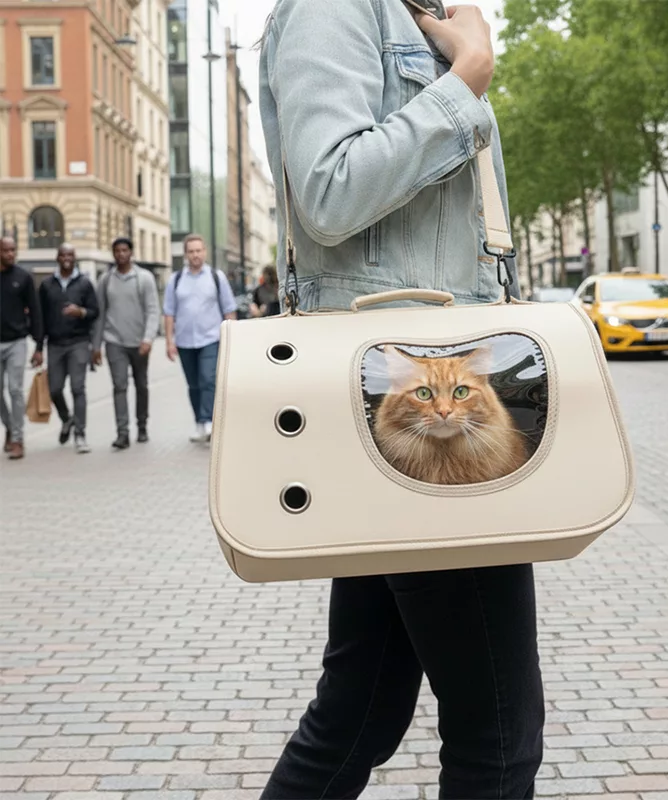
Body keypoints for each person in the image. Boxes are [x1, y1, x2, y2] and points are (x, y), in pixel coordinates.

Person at [257, 2, 544, 798]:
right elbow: (328, 190)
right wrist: (466, 78)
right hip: (419, 433)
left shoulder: (421, 15)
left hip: (417, 423)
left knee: (361, 712)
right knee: (497, 734)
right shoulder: (336, 9)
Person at [163, 234, 237, 443]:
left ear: (204, 252)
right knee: (193, 385)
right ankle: (199, 422)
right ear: (186, 254)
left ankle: (208, 421)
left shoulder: (216, 277)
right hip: (185, 341)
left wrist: (233, 339)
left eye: (198, 251)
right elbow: (169, 312)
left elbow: (229, 309)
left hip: (211, 339)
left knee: (208, 379)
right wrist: (169, 341)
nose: (195, 255)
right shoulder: (176, 279)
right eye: (191, 251)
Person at [92, 238, 160, 449]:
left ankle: (142, 426)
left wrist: (148, 338)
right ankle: (122, 432)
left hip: (139, 342)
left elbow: (152, 310)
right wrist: (96, 345)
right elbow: (100, 314)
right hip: (114, 342)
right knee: (119, 386)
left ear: (131, 252)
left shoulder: (144, 278)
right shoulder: (105, 280)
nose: (121, 254)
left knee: (141, 385)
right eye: (117, 251)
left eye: (124, 250)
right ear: (113, 254)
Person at [37, 243, 99, 454]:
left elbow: (95, 311)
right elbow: (40, 317)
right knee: (54, 389)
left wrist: (80, 312)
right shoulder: (47, 285)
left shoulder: (84, 283)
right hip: (55, 344)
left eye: (70, 255)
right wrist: (38, 347)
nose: (66, 258)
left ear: (75, 258)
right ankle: (67, 419)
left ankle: (80, 434)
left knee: (77, 388)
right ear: (57, 257)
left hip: (78, 342)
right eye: (63, 255)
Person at [0, 236, 43, 460]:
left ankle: (17, 439)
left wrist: (39, 346)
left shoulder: (23, 277)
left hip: (16, 342)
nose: (10, 254)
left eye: (13, 250)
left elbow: (35, 311)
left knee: (15, 390)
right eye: (6, 250)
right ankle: (9, 425)